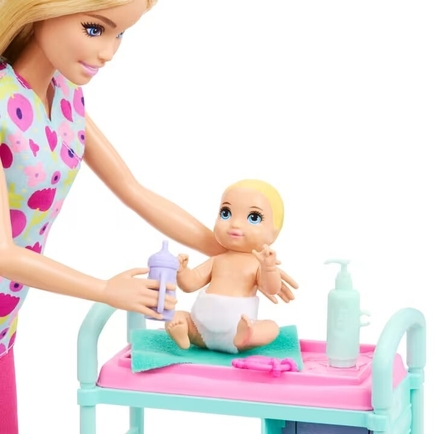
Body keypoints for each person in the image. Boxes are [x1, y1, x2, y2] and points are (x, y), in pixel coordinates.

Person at [0, 0, 298, 431]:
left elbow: (132, 189)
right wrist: (105, 290)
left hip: (5, 322)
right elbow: (3, 254)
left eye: (120, 33)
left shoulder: (64, 96)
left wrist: (234, 254)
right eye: (94, 28)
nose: (108, 52)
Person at [166, 179, 298, 354]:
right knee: (174, 316)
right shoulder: (217, 260)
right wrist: (183, 271)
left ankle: (248, 334)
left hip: (236, 328)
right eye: (226, 213)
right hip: (199, 328)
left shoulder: (257, 264)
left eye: (253, 217)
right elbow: (190, 284)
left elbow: (271, 288)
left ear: (273, 233)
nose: (235, 224)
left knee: (271, 328)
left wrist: (269, 268)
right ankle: (183, 331)